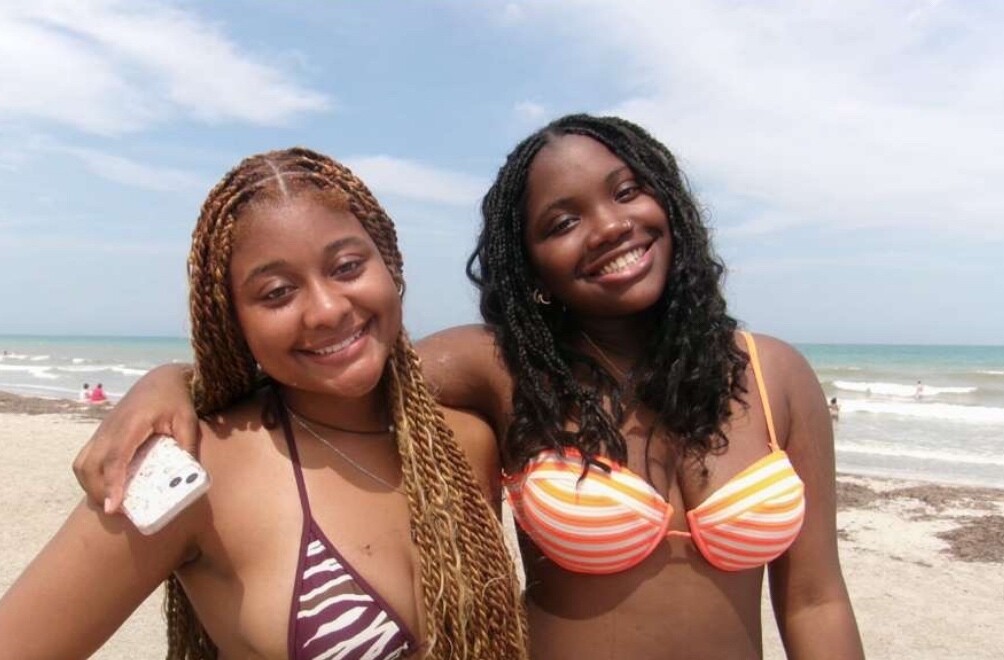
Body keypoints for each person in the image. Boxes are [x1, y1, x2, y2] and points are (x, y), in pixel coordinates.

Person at [73, 116, 863, 658]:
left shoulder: (774, 375)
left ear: (672, 204)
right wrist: (171, 381)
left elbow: (815, 600)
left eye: (628, 191)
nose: (608, 226)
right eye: (561, 222)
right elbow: (341, 358)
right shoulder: (506, 371)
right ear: (530, 267)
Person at [0, 148, 528, 659]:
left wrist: (170, 376)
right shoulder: (190, 470)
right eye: (277, 293)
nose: (327, 309)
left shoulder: (464, 441)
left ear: (391, 266)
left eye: (347, 267)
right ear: (233, 322)